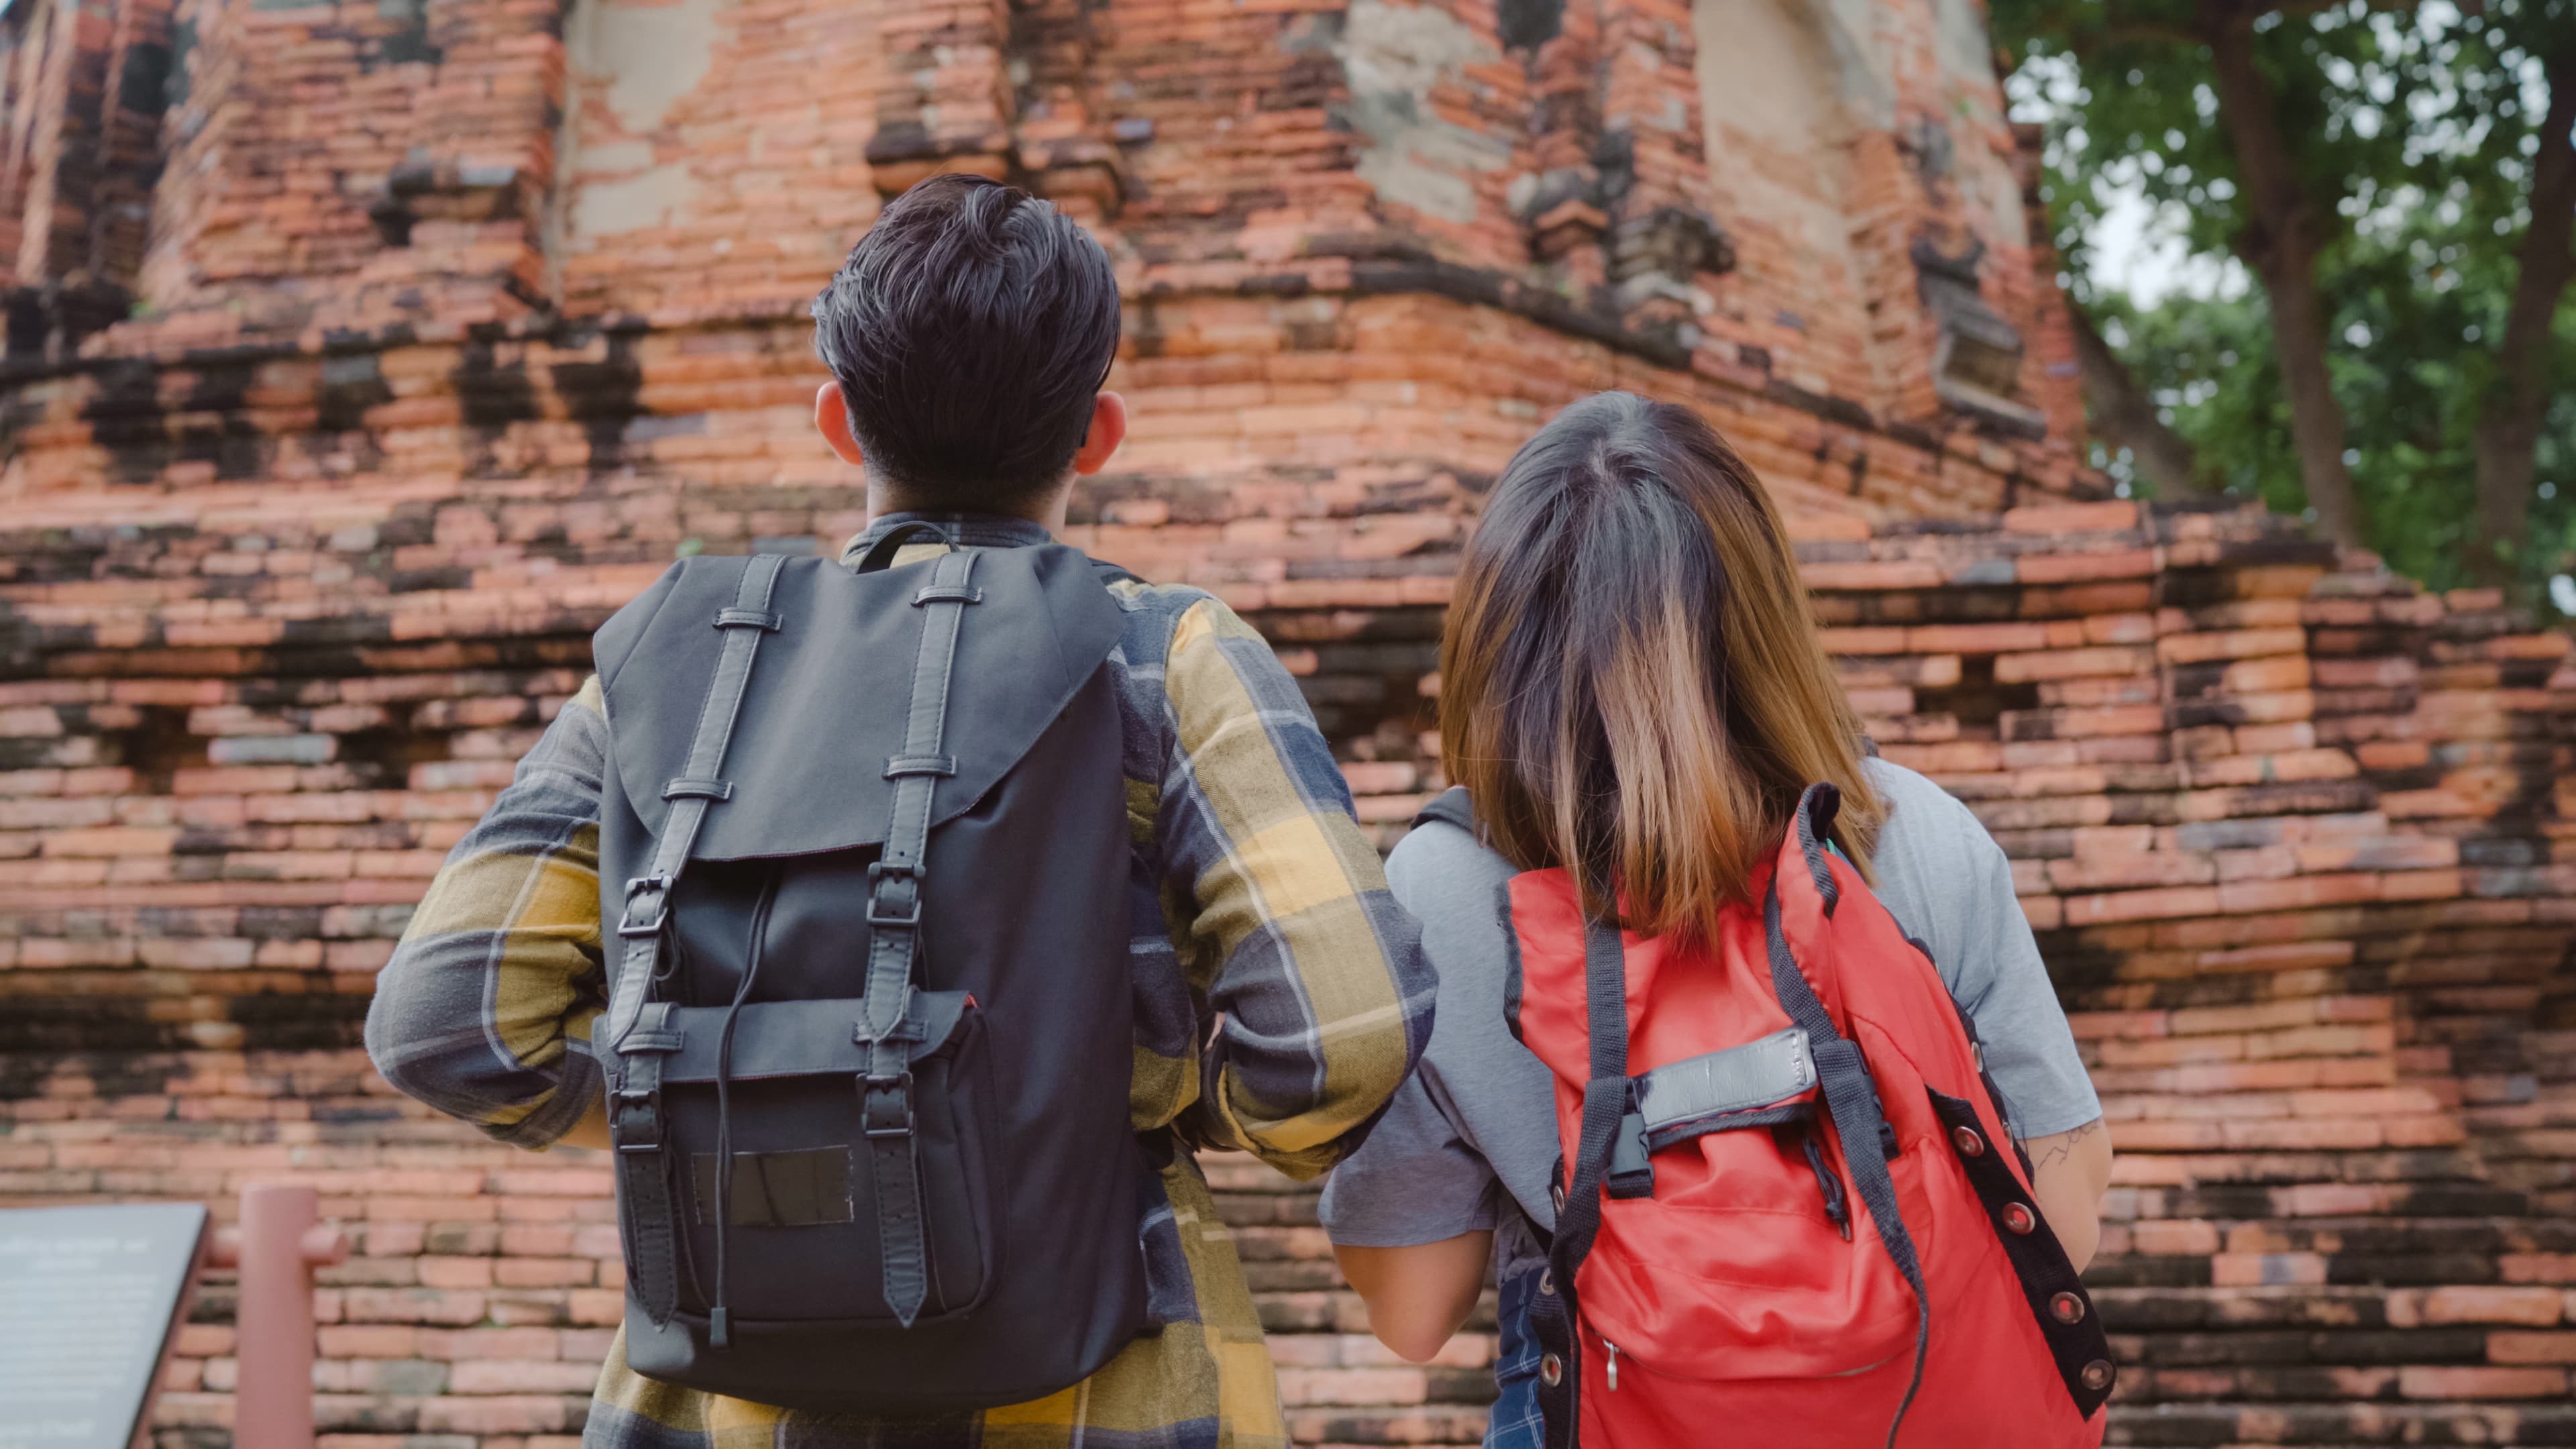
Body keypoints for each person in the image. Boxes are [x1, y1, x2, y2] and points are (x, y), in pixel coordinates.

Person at [366, 174, 1436, 1449]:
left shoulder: (676, 671)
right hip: (1107, 1374)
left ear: (837, 422)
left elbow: (444, 1023)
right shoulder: (1164, 652)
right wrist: (1138, 1102)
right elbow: (1347, 1032)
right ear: (1097, 434)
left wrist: (717, 1098)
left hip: (722, 1384)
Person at [1316, 391, 2112, 1446]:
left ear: (1497, 640)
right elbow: (2064, 1211)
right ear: (1765, 613)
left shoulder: (1445, 887)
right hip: (1924, 1404)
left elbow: (1415, 1314)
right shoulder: (1904, 830)